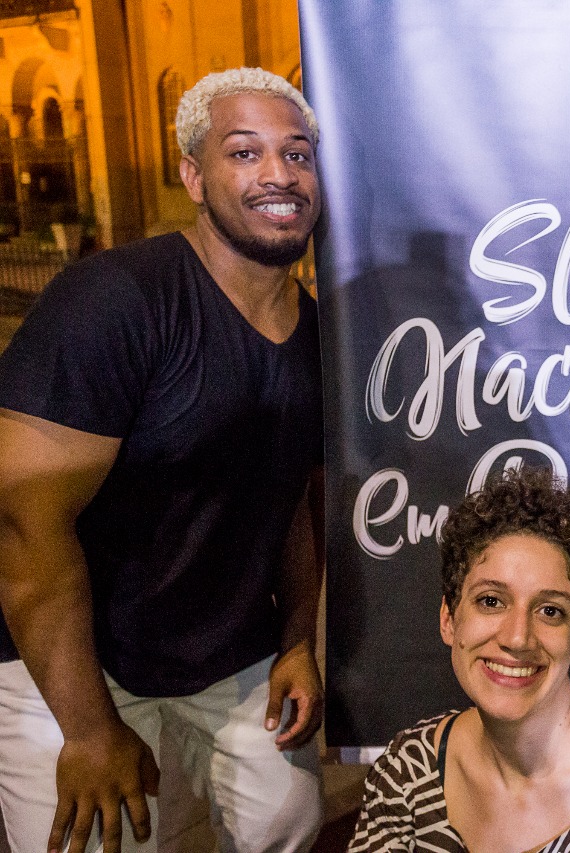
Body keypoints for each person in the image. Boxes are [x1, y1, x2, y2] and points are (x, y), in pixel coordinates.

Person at [0, 68, 325, 852]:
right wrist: (84, 729)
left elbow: (292, 501)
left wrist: (298, 642)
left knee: (289, 819)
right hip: (74, 658)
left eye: (298, 154)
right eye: (244, 153)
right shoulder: (114, 303)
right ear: (193, 175)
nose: (278, 174)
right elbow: (22, 523)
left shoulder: (313, 325)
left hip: (227, 645)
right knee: (98, 839)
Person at [348, 467, 570, 852]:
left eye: (550, 611)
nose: (517, 637)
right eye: (491, 601)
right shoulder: (408, 767)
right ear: (449, 619)